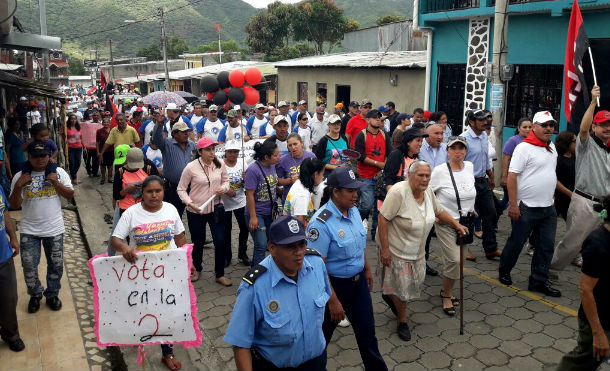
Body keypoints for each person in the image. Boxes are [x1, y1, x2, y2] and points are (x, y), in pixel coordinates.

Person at [224, 215, 331, 371]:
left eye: (302, 244)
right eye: (290, 246)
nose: (299, 252)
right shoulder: (255, 286)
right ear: (272, 248)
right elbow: (240, 344)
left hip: (316, 362)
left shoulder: (316, 264)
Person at [306, 167, 388, 371]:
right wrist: (333, 301)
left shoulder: (352, 211)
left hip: (357, 285)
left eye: (356, 190)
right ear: (335, 192)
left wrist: (366, 269)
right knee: (320, 340)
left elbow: (358, 245)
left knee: (367, 335)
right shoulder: (320, 223)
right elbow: (317, 267)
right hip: (334, 288)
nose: (355, 195)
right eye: (350, 190)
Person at [377, 160, 468, 340]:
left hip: (418, 252)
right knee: (404, 292)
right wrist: (385, 250)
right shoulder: (398, 192)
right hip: (397, 250)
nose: (425, 179)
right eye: (421, 175)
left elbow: (439, 211)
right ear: (410, 176)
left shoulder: (427, 193)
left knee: (414, 285)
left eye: (428, 175)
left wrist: (456, 224)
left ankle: (390, 295)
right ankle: (402, 321)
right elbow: (382, 219)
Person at [111, 175, 187, 371]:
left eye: (158, 191)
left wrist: (188, 260)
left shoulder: (171, 209)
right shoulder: (131, 213)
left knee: (167, 311)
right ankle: (140, 341)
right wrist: (125, 248)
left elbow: (179, 237)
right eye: (149, 191)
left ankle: (167, 352)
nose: (154, 195)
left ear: (163, 191)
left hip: (167, 272)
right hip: (140, 273)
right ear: (142, 194)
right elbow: (116, 239)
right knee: (142, 308)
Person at [499, 111, 561, 297]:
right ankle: (504, 270)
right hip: (526, 206)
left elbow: (550, 174)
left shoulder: (551, 147)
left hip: (548, 207)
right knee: (517, 242)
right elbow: (512, 176)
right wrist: (513, 205)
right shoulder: (523, 148)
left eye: (551, 125)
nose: (549, 128)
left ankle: (538, 281)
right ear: (534, 127)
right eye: (545, 125)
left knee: (546, 245)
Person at [550, 86, 610, 279]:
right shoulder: (587, 144)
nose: (607, 128)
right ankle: (550, 270)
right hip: (584, 202)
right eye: (603, 124)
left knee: (601, 241)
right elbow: (582, 128)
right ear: (595, 127)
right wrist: (593, 102)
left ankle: (595, 275)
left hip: (604, 205)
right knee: (573, 243)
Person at [9, 142, 74, 313]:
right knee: (29, 265)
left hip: (54, 229)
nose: (40, 159)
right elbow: (14, 205)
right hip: (29, 230)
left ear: (49, 156)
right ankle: (35, 294)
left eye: (43, 155)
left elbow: (70, 195)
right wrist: (18, 186)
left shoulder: (58, 173)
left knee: (56, 264)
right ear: (28, 157)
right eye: (35, 156)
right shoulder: (19, 176)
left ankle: (52, 294)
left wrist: (56, 184)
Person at [557, 195, 610, 371]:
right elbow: (586, 290)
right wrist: (598, 333)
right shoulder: (598, 243)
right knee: (581, 362)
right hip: (599, 320)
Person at [430, 137, 476, 316]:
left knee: (461, 262)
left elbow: (469, 191)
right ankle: (447, 296)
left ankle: (445, 290)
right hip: (447, 223)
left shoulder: (470, 167)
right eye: (454, 148)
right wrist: (434, 213)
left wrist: (472, 209)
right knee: (454, 261)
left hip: (466, 222)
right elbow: (429, 193)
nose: (458, 152)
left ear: (465, 151)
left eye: (461, 148)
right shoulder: (440, 171)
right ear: (447, 151)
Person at [177, 137, 230, 285]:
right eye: (208, 149)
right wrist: (190, 203)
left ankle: (219, 274)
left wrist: (224, 188)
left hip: (216, 209)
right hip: (196, 211)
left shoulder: (220, 164)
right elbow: (181, 189)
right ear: (199, 151)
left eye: (213, 149)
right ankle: (197, 268)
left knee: (220, 241)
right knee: (198, 241)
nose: (212, 152)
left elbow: (226, 181)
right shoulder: (191, 167)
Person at [463, 109, 501, 260]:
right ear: (472, 122)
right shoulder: (463, 138)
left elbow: (486, 158)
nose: (486, 122)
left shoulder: (484, 135)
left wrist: (490, 175)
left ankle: (490, 249)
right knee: (467, 216)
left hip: (482, 181)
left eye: (486, 119)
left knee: (491, 214)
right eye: (481, 120)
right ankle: (464, 248)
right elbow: (458, 162)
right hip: (467, 182)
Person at [354, 109, 392, 237]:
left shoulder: (384, 135)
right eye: (375, 117)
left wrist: (382, 169)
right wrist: (377, 164)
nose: (378, 119)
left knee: (380, 207)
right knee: (366, 204)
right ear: (368, 120)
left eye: (379, 118)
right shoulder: (361, 135)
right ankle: (354, 223)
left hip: (381, 176)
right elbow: (360, 156)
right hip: (365, 176)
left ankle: (376, 232)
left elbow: (389, 154)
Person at [245, 141, 280, 267]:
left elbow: (272, 184)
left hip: (270, 212)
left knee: (271, 243)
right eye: (276, 155)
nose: (279, 157)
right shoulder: (253, 170)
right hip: (257, 213)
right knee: (261, 244)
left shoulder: (272, 166)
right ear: (266, 157)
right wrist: (253, 217)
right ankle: (255, 275)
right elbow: (249, 194)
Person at [152, 119, 197, 218]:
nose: (186, 134)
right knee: (173, 216)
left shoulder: (193, 145)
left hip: (191, 188)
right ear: (174, 134)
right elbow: (156, 139)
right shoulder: (167, 144)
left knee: (194, 215)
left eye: (187, 131)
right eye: (183, 132)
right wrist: (159, 123)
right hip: (173, 188)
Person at [0, 186, 24, 352]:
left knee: (9, 299)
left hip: (3, 255)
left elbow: (4, 212)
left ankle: (11, 334)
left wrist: (13, 237)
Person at [221, 141, 250, 267]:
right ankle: (227, 255)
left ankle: (242, 253)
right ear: (225, 152)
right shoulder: (220, 165)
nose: (233, 154)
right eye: (230, 151)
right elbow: (214, 181)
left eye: (236, 151)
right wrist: (226, 190)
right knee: (226, 230)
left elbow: (249, 183)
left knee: (244, 228)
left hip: (240, 201)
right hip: (225, 203)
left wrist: (246, 179)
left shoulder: (243, 163)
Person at [500, 118, 533, 216]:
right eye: (525, 127)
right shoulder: (513, 140)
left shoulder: (533, 141)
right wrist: (504, 176)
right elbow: (506, 158)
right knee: (509, 200)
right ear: (519, 128)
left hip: (526, 178)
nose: (528, 129)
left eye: (530, 127)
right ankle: (496, 214)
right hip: (513, 177)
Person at [113, 148, 158, 216]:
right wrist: (126, 190)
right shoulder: (120, 173)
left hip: (144, 208)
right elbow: (116, 196)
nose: (135, 167)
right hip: (126, 209)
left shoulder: (147, 169)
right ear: (127, 160)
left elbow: (157, 188)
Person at [283, 158, 325, 224]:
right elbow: (300, 223)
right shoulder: (302, 195)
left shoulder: (299, 182)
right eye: (322, 174)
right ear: (316, 175)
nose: (322, 177)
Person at [277, 133, 316, 202]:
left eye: (295, 144)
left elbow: (318, 177)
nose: (293, 147)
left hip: (308, 198)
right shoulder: (282, 160)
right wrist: (290, 180)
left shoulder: (311, 157)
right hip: (290, 199)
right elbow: (276, 181)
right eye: (290, 145)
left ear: (302, 143)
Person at [555, 131, 577, 221]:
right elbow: (554, 180)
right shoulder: (557, 159)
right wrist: (569, 193)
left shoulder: (574, 156)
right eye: (575, 141)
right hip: (560, 198)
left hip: (572, 198)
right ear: (566, 143)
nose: (577, 143)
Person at [81, 111, 103, 178]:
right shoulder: (87, 124)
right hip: (87, 146)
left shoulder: (101, 125)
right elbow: (83, 133)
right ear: (92, 116)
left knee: (95, 160)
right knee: (87, 160)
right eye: (94, 115)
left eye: (97, 115)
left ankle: (95, 172)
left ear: (99, 116)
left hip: (96, 146)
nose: (95, 116)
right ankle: (89, 171)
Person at [65, 113, 83, 183]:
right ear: (69, 120)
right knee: (72, 163)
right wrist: (64, 148)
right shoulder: (66, 128)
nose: (73, 120)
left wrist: (84, 147)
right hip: (70, 148)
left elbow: (81, 138)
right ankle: (74, 178)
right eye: (71, 119)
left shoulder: (78, 127)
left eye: (74, 119)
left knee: (78, 163)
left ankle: (72, 175)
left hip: (79, 147)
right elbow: (63, 138)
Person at [96, 117, 114, 184]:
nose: (106, 123)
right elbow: (97, 142)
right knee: (102, 165)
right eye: (104, 122)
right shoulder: (99, 131)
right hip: (102, 151)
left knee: (110, 165)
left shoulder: (113, 130)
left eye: (107, 122)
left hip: (111, 150)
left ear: (109, 123)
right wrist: (98, 152)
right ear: (102, 123)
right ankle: (103, 178)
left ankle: (110, 178)